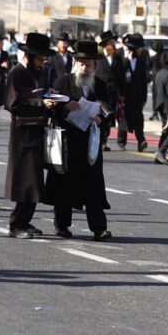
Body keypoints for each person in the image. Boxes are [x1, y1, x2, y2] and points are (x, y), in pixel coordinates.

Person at [45, 40, 113, 241]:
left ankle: (99, 228)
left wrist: (101, 118)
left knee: (94, 185)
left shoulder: (100, 85)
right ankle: (62, 225)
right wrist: (65, 107)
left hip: (90, 142)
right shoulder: (62, 82)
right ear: (75, 63)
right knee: (64, 185)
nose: (85, 68)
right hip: (68, 142)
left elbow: (108, 108)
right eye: (81, 64)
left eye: (88, 65)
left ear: (95, 66)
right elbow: (52, 107)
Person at [3, 32, 59, 239]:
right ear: (30, 56)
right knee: (24, 181)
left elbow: (39, 95)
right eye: (40, 59)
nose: (42, 63)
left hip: (37, 133)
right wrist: (40, 103)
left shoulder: (39, 74)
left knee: (34, 182)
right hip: (22, 135)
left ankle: (25, 221)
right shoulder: (16, 74)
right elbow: (12, 103)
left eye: (44, 59)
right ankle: (16, 224)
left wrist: (50, 98)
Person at [117, 33, 149, 152]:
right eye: (139, 48)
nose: (141, 50)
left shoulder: (141, 62)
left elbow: (144, 81)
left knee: (139, 119)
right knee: (124, 118)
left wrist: (144, 98)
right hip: (125, 96)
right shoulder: (123, 62)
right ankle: (121, 142)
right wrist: (120, 95)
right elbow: (119, 80)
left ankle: (141, 141)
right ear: (133, 49)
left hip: (138, 97)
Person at [94, 31, 123, 151]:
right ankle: (101, 141)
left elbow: (121, 76)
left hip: (113, 92)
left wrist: (121, 93)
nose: (113, 44)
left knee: (110, 117)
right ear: (106, 44)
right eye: (111, 42)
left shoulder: (118, 58)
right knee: (101, 115)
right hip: (101, 92)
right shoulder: (98, 57)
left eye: (114, 42)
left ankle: (105, 140)